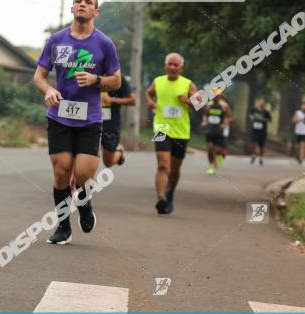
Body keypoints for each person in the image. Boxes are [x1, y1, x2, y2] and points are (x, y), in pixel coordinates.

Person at [33, 0, 121, 245]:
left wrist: (97, 80)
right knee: (61, 171)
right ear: (72, 8)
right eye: (78, 1)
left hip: (90, 119)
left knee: (83, 174)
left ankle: (85, 204)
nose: (82, 4)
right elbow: (38, 76)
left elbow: (116, 80)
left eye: (88, 2)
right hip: (59, 116)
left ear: (96, 11)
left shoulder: (104, 43)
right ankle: (63, 227)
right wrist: (48, 89)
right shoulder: (56, 40)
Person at [146, 53, 198, 215]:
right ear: (165, 65)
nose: (173, 67)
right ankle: (161, 197)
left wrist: (187, 101)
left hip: (181, 131)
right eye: (170, 64)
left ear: (181, 68)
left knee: (175, 168)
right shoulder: (158, 81)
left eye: (176, 65)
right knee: (163, 164)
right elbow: (149, 93)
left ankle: (170, 192)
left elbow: (200, 103)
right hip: (161, 128)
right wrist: (151, 102)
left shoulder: (188, 84)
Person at [100, 76, 136, 169]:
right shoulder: (89, 74)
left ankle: (119, 151)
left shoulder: (118, 79)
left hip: (110, 124)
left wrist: (112, 100)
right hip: (89, 121)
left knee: (108, 162)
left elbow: (132, 100)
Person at [201, 91, 233, 175]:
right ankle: (212, 164)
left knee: (217, 149)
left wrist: (224, 124)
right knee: (210, 148)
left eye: (217, 95)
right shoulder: (209, 105)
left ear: (220, 96)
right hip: (210, 129)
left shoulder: (224, 106)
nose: (215, 97)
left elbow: (230, 117)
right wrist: (204, 122)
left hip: (219, 131)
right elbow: (206, 115)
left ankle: (215, 162)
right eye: (213, 95)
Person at [249, 97, 272, 165]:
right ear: (258, 102)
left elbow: (270, 120)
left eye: (263, 102)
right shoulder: (254, 109)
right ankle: (253, 154)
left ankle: (261, 158)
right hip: (255, 129)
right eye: (260, 101)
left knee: (261, 146)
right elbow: (250, 115)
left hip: (262, 131)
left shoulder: (266, 112)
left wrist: (263, 119)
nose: (261, 103)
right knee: (253, 142)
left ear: (264, 103)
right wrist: (252, 118)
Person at [292, 100, 305, 164]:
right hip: (298, 132)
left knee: (303, 146)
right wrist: (300, 120)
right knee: (297, 146)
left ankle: (301, 158)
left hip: (304, 132)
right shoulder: (297, 112)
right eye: (303, 105)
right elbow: (293, 120)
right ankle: (297, 155)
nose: (304, 107)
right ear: (301, 106)